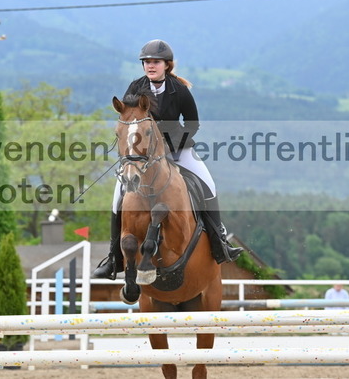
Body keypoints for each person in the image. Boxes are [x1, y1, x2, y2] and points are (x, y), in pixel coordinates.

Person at [92, 39, 243, 280]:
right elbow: (128, 117)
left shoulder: (178, 90)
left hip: (177, 148)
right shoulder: (136, 87)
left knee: (208, 184)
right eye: (147, 62)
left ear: (167, 65)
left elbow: (192, 123)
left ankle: (219, 242)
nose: (150, 66)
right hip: (142, 155)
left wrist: (173, 145)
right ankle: (113, 257)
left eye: (156, 62)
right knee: (118, 195)